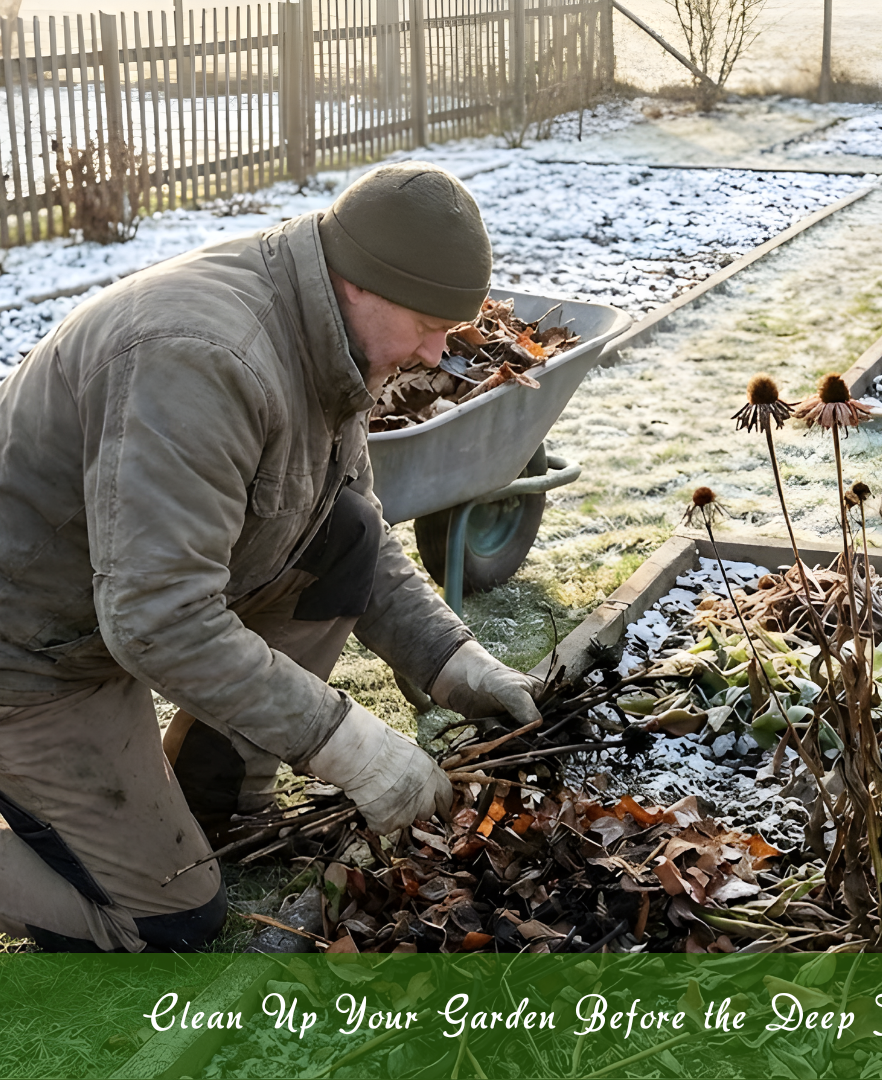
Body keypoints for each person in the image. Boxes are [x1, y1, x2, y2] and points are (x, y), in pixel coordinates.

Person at [0, 161, 542, 952]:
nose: (435, 353)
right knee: (170, 919)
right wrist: (348, 745)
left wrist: (455, 661)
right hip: (28, 656)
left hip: (98, 613)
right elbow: (158, 619)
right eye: (427, 323)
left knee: (346, 541)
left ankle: (207, 795)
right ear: (362, 283)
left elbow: (350, 524)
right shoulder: (202, 357)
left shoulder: (321, 328)